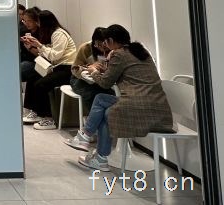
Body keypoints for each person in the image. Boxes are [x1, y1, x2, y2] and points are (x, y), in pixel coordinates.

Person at [65, 24, 173, 170]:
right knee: (103, 102)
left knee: (105, 108)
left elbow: (105, 83)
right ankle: (89, 143)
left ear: (110, 40)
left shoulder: (119, 54)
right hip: (160, 109)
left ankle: (90, 144)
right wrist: (107, 68)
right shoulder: (141, 51)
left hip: (137, 107)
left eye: (105, 42)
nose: (104, 45)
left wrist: (93, 71)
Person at [22, 10, 77, 130]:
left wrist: (39, 45)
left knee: (42, 84)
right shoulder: (53, 34)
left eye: (38, 22)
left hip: (67, 68)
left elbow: (54, 56)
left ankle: (49, 118)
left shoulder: (59, 34)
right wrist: (33, 46)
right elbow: (49, 53)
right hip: (58, 67)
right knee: (32, 77)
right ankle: (35, 112)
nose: (38, 25)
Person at [69, 27, 113, 109]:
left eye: (104, 45)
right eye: (98, 45)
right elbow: (74, 69)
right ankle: (95, 116)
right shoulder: (86, 48)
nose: (102, 48)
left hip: (100, 80)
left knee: (110, 94)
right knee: (93, 94)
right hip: (80, 79)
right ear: (94, 42)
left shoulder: (112, 49)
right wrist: (89, 67)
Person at [19, 7, 41, 82]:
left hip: (37, 62)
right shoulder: (23, 31)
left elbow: (42, 55)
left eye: (29, 21)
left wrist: (29, 47)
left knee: (20, 68)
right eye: (25, 21)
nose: (27, 23)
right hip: (25, 59)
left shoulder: (41, 33)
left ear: (36, 20)